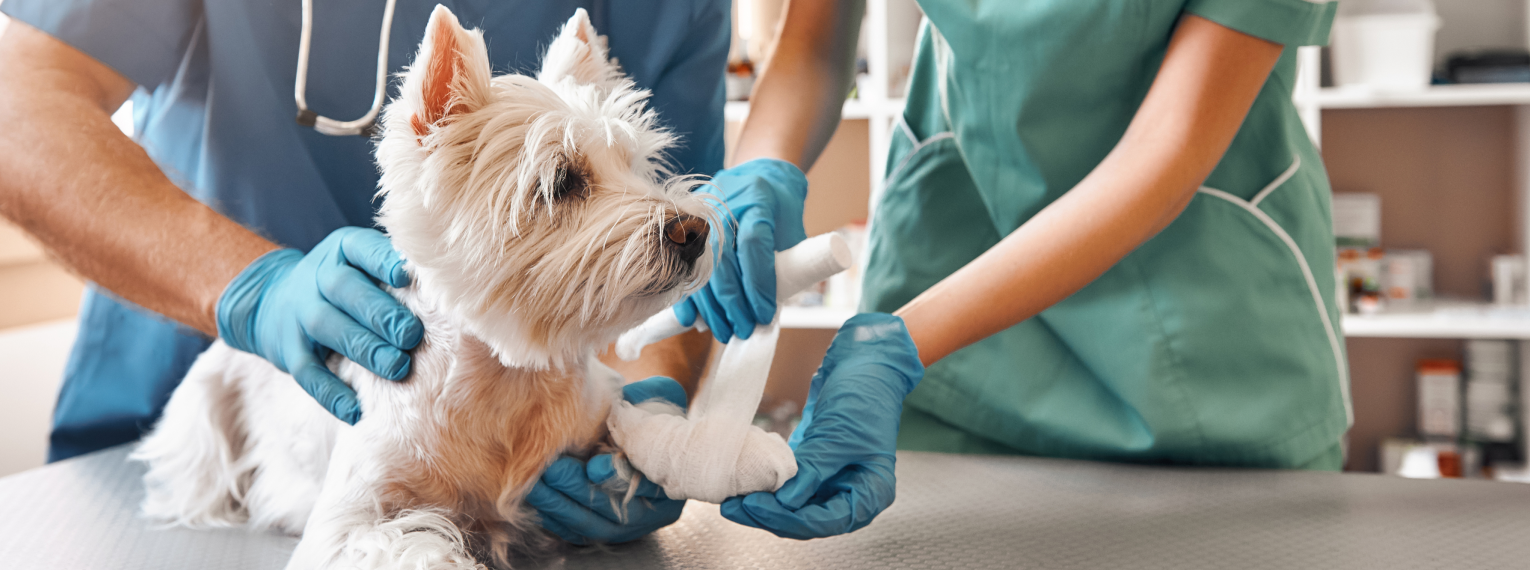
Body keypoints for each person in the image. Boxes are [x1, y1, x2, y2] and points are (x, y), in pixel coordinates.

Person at [0, 0, 730, 544]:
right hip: (164, 415)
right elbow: (17, 113)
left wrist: (650, 423)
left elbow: (668, 263)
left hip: (535, 426)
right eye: (563, 183)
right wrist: (252, 290)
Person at [671, 0, 1347, 540]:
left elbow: (1167, 146)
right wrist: (760, 168)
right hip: (956, 290)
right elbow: (815, 45)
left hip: (1205, 332)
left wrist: (901, 343)